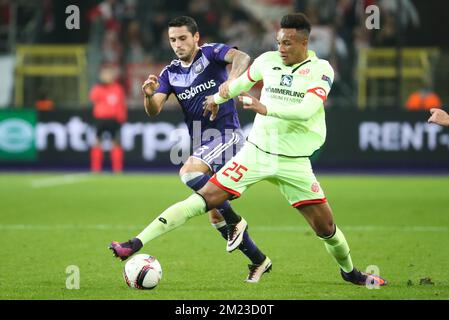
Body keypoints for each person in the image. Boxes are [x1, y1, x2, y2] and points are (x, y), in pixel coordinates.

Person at [110, 13, 387, 286]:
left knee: (326, 229)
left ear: (304, 43)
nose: (281, 48)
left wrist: (264, 107)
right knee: (202, 200)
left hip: (295, 161)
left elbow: (308, 110)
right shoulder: (268, 61)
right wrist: (217, 97)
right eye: (279, 42)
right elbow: (240, 84)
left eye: (288, 43)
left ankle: (350, 272)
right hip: (256, 152)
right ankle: (135, 243)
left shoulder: (321, 69)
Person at [110, 16, 270, 283]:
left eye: (183, 38)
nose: (177, 44)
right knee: (216, 216)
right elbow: (155, 109)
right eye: (173, 39)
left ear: (196, 37)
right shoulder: (169, 73)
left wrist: (227, 87)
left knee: (188, 172)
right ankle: (259, 260)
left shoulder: (211, 53)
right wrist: (149, 95)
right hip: (202, 142)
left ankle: (236, 221)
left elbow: (243, 58)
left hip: (227, 135)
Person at [89, 65, 127, 173]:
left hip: (113, 119)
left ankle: (117, 169)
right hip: (100, 119)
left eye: (108, 74)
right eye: (104, 75)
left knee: (116, 143)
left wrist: (121, 118)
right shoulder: (98, 88)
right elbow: (92, 99)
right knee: (97, 142)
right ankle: (95, 168)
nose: (106, 77)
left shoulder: (117, 89)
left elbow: (121, 105)